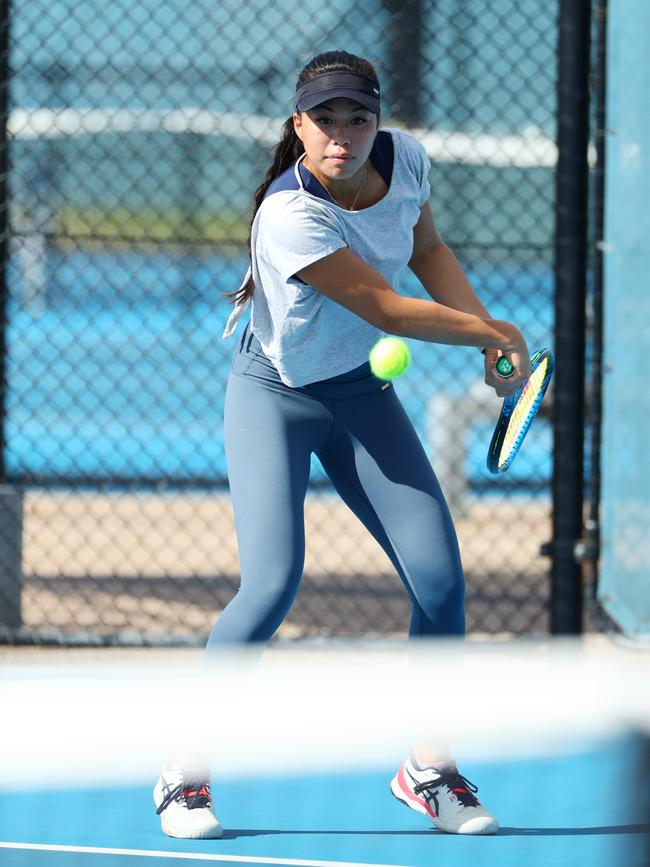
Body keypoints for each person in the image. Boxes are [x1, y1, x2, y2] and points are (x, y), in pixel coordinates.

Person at [153, 50, 531, 840]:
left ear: (378, 121)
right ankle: (184, 767)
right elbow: (391, 309)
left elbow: (426, 254)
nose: (342, 134)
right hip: (276, 396)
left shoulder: (407, 161)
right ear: (298, 125)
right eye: (324, 119)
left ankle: (428, 767)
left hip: (361, 393)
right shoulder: (289, 216)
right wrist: (493, 334)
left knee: (439, 582)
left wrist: (484, 330)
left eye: (358, 117)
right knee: (270, 586)